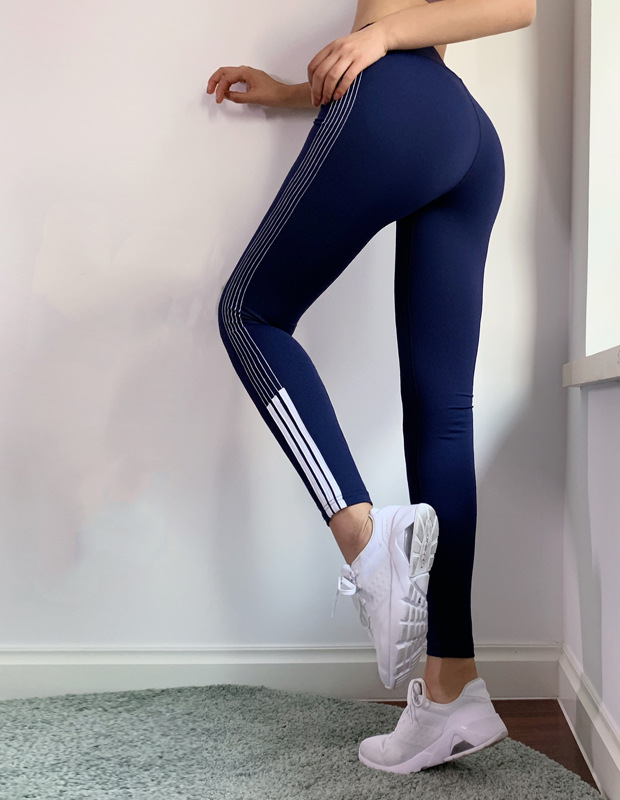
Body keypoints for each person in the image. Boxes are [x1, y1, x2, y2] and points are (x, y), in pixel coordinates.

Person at [206, 0, 537, 774]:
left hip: (398, 95)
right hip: (463, 133)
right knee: (442, 416)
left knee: (249, 313)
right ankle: (453, 691)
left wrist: (379, 37)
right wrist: (293, 91)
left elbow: (516, 4)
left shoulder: (389, 52)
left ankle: (366, 542)